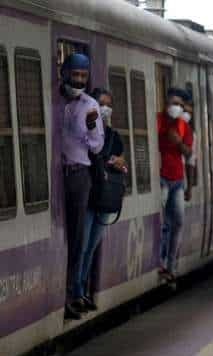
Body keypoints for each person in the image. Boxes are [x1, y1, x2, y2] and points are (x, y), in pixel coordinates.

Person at [59, 53, 105, 320]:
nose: (78, 80)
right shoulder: (55, 101)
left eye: (83, 76)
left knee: (76, 237)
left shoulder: (91, 106)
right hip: (56, 173)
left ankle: (72, 293)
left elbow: (97, 146)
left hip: (78, 175)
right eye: (74, 74)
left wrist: (90, 129)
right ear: (64, 73)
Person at [75, 88, 126, 311]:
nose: (104, 108)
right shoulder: (83, 131)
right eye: (100, 103)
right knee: (82, 246)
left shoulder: (114, 137)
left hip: (105, 197)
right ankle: (76, 291)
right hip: (87, 196)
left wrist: (118, 162)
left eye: (108, 104)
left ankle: (82, 289)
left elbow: (122, 161)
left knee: (92, 246)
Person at [157, 88, 192, 282]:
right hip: (161, 177)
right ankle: (160, 262)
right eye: (173, 103)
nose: (176, 107)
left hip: (177, 180)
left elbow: (188, 153)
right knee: (163, 223)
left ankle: (171, 265)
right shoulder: (158, 121)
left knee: (178, 221)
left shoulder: (184, 127)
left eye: (179, 104)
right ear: (166, 104)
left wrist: (178, 143)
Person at [182, 99, 196, 202]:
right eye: (184, 111)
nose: (186, 115)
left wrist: (190, 188)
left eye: (189, 112)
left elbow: (190, 162)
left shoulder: (192, 135)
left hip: (180, 182)